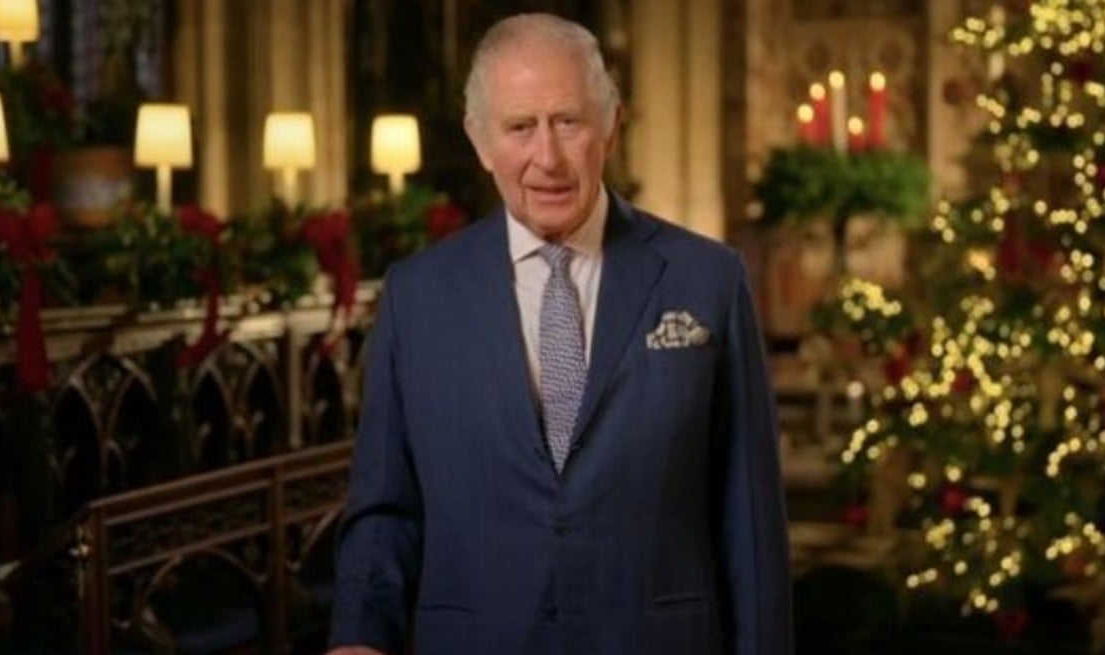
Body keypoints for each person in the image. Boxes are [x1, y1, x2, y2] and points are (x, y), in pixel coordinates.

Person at [328, 12, 790, 655]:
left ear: (612, 126)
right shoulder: (417, 297)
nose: (547, 158)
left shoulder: (707, 279)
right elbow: (384, 507)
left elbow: (751, 516)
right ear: (480, 141)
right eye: (520, 127)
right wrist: (357, 637)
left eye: (568, 122)